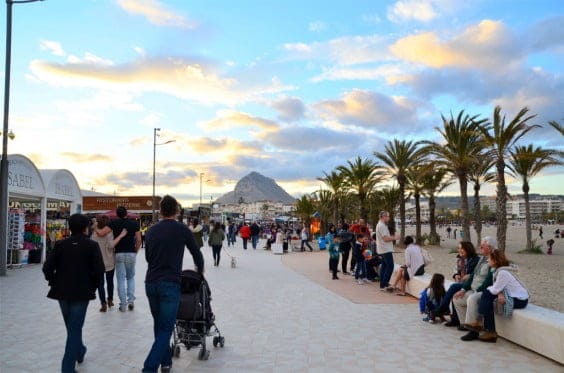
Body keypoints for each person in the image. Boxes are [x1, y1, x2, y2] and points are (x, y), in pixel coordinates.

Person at [142, 195, 204, 373]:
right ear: (176, 211)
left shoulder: (152, 230)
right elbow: (196, 252)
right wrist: (200, 270)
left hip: (151, 283)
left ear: (160, 211)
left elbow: (147, 257)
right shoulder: (182, 230)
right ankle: (149, 368)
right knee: (166, 328)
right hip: (170, 283)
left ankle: (166, 362)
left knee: (158, 325)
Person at [42, 213, 105, 373]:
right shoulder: (91, 246)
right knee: (74, 328)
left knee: (72, 327)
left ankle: (80, 350)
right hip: (82, 293)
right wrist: (93, 287)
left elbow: (47, 267)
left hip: (62, 292)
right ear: (86, 228)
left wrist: (53, 281)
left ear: (70, 228)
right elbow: (99, 270)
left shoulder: (60, 245)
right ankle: (67, 368)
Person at [463, 249, 529, 343]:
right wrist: (500, 293)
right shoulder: (498, 271)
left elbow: (495, 289)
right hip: (511, 295)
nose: (488, 261)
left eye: (489, 259)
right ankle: (488, 330)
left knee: (486, 294)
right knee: (487, 299)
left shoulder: (502, 273)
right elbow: (497, 288)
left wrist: (497, 292)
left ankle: (481, 323)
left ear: (495, 261)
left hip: (520, 300)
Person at [97, 206, 141, 312]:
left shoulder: (114, 223)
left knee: (120, 279)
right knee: (130, 278)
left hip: (119, 254)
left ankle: (123, 305)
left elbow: (101, 233)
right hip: (130, 253)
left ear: (117, 214)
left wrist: (94, 227)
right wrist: (135, 251)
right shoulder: (134, 223)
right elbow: (139, 240)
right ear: (127, 213)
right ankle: (131, 301)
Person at [453, 236, 495, 341]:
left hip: (484, 291)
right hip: (473, 289)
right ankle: (465, 324)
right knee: (457, 298)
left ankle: (473, 331)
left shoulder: (494, 260)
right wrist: (463, 290)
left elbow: (489, 280)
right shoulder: (482, 259)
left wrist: (477, 290)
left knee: (472, 299)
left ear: (490, 248)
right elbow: (472, 276)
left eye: (483, 246)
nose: (480, 247)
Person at [433, 241, 480, 326]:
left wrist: (469, 276)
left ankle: (442, 308)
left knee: (454, 286)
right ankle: (455, 319)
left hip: (471, 284)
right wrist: (456, 275)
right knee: (455, 291)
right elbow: (455, 270)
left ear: (467, 249)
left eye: (462, 248)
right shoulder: (460, 259)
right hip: (461, 283)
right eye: (459, 248)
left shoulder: (476, 260)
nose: (459, 250)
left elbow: (478, 274)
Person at [91, 215, 127, 312]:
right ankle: (110, 300)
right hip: (109, 260)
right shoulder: (109, 233)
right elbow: (111, 245)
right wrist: (120, 236)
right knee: (110, 281)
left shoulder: (94, 234)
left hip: (98, 262)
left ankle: (103, 303)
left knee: (100, 284)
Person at [376, 211, 400, 290]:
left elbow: (385, 237)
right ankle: (384, 284)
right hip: (385, 249)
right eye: (388, 216)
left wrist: (392, 236)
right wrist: (395, 238)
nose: (389, 218)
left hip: (383, 249)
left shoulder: (381, 225)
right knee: (390, 266)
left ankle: (382, 284)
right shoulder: (382, 226)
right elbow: (385, 238)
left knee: (384, 266)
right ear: (384, 217)